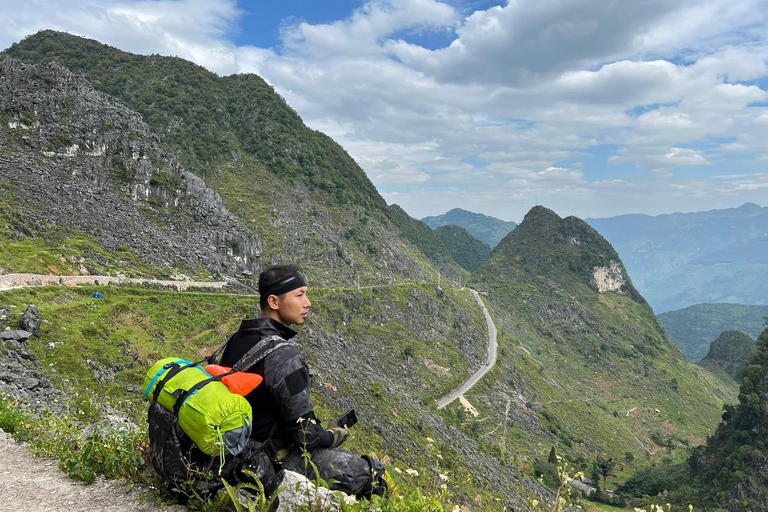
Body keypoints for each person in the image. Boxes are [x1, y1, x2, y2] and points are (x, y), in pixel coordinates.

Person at [219, 265, 387, 498]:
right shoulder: (284, 356)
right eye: (299, 295)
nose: (307, 302)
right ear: (274, 302)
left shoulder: (236, 339)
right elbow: (305, 436)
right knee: (368, 473)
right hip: (269, 461)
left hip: (236, 452)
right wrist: (333, 435)